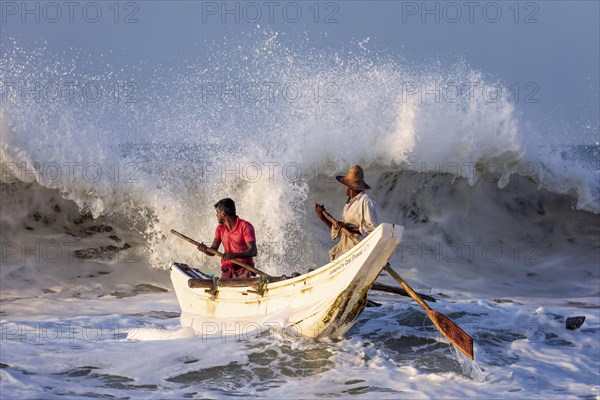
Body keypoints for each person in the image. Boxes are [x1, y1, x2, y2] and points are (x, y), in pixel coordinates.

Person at [315, 165, 379, 261]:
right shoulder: (348, 204)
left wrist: (347, 227)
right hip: (346, 252)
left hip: (359, 250)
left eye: (345, 186)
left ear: (349, 187)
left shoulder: (366, 201)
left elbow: (372, 229)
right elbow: (341, 232)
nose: (344, 188)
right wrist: (323, 217)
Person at [197, 198, 258, 279]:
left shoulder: (245, 226)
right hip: (228, 268)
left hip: (244, 267)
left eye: (217, 212)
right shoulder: (220, 229)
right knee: (225, 281)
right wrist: (205, 250)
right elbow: (213, 251)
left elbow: (253, 251)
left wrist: (234, 255)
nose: (216, 215)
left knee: (242, 279)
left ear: (223, 213)